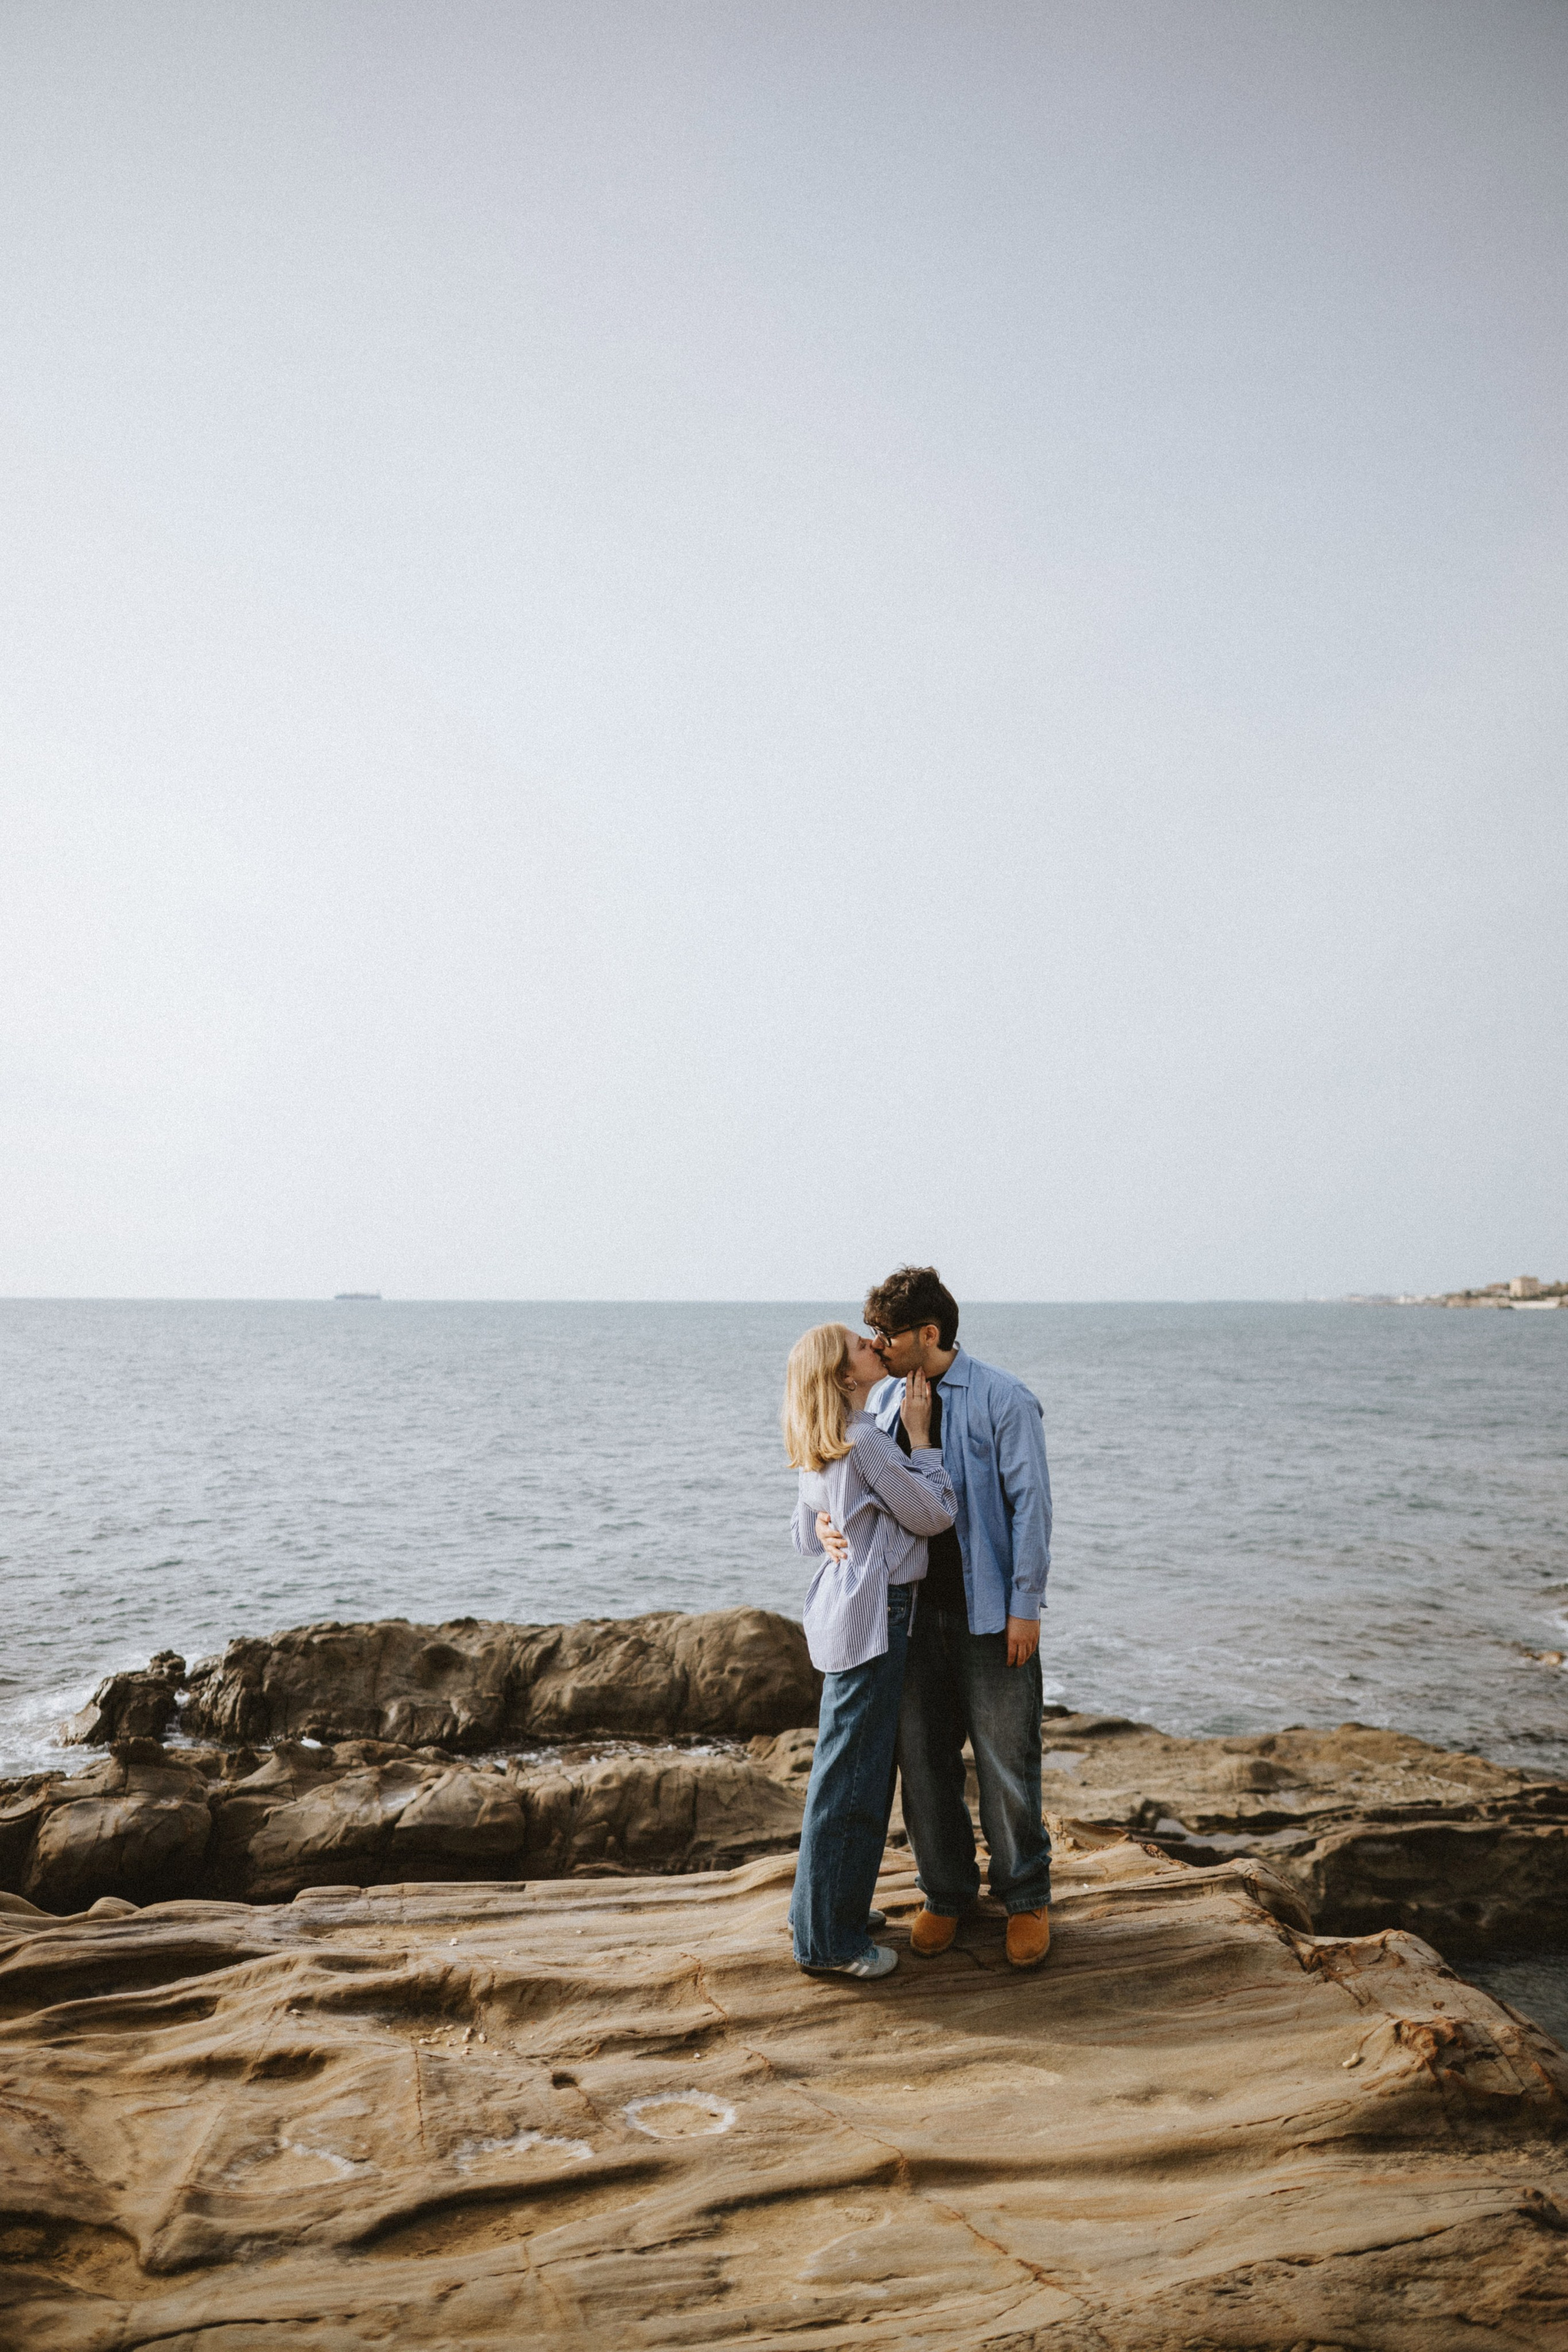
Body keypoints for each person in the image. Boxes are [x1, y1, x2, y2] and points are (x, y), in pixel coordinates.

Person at [815, 1266, 1054, 1967]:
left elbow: (1031, 1509)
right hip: (908, 1618)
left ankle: (1025, 1896)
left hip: (989, 1618)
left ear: (930, 1333)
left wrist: (1025, 1607)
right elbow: (837, 1477)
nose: (876, 1345)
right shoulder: (882, 1399)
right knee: (922, 1765)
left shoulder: (1004, 1398)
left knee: (1008, 1765)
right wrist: (825, 1524)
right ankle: (944, 1894)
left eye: (888, 1335)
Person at [784, 1322, 956, 1980]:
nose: (874, 1346)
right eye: (861, 1345)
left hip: (838, 1609)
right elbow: (934, 1516)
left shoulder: (819, 1443)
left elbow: (804, 1536)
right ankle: (826, 1941)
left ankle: (826, 1909)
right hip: (874, 1613)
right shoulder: (866, 1442)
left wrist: (831, 1522)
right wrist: (922, 1442)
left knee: (844, 1768)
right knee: (853, 1778)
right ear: (844, 1376)